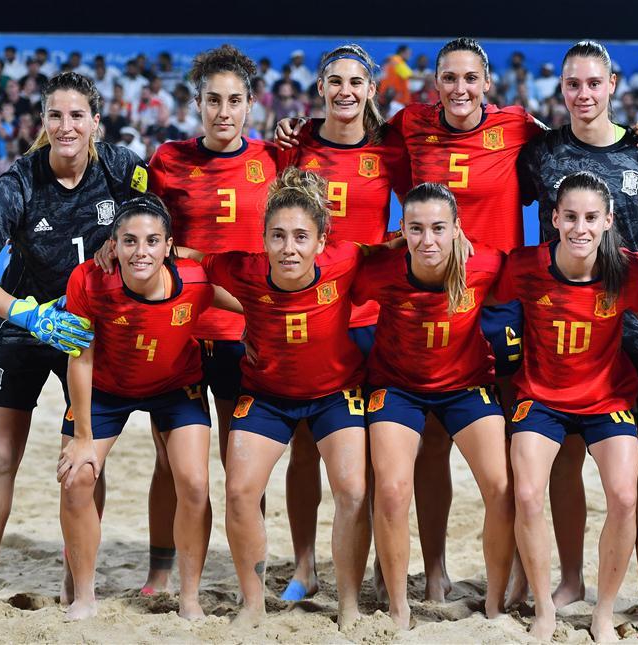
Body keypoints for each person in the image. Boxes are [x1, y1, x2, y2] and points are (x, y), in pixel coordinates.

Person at [277, 36, 638, 603]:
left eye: (470, 79)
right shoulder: (410, 124)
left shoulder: (521, 130)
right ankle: (429, 572)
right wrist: (301, 129)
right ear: (435, 85)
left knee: (517, 445)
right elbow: (351, 128)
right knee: (428, 439)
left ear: (487, 84)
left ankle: (518, 578)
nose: (460, 89)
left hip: (499, 301)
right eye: (449, 79)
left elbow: (589, 132)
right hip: (428, 299)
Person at [0, 71, 148, 610]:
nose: (67, 126)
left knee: (84, 460)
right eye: (56, 116)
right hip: (24, 325)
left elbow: (159, 220)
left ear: (95, 122)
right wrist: (29, 315)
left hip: (84, 328)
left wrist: (120, 250)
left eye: (77, 115)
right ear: (44, 122)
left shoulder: (123, 167)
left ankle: (74, 582)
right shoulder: (18, 181)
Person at [517, 39, 638, 608]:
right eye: (572, 84)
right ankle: (571, 578)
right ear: (562, 90)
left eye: (593, 83)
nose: (583, 94)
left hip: (637, 338)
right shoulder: (540, 152)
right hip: (563, 332)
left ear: (612, 86)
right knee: (565, 463)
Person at [185, 167, 372, 629]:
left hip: (336, 394)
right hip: (266, 396)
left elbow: (396, 247)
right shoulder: (241, 268)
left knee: (352, 490)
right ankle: (253, 603)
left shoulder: (346, 260)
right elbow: (192, 260)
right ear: (263, 238)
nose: (289, 248)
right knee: (240, 491)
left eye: (301, 237)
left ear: (321, 241)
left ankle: (348, 602)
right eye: (278, 236)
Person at [124, 43, 279, 595]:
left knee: (245, 463)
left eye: (234, 100)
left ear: (251, 105)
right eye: (213, 100)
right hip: (182, 336)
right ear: (196, 103)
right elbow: (147, 236)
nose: (223, 112)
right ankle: (160, 572)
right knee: (171, 464)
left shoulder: (273, 159)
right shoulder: (168, 160)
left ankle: (247, 578)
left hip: (246, 336)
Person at [276, 42, 411, 602]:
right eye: (335, 82)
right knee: (305, 443)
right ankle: (305, 567)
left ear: (370, 90)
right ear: (322, 88)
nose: (345, 92)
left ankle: (382, 565)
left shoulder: (390, 151)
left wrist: (398, 244)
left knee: (379, 451)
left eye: (356, 83)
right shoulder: (298, 145)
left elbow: (428, 208)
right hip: (311, 315)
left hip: (372, 317)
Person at [499, 171, 638, 641]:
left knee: (626, 497)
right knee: (527, 494)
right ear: (554, 218)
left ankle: (604, 612)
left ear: (608, 221)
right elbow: (479, 292)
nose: (580, 228)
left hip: (606, 399)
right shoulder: (525, 266)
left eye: (591, 218)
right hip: (540, 398)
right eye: (570, 217)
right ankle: (545, 608)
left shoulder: (625, 271)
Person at [355, 182, 513, 629]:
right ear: (401, 229)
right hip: (397, 386)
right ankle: (398, 604)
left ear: (457, 229)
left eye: (439, 228)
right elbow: (333, 288)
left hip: (465, 385)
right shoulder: (382, 268)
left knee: (502, 488)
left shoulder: (485, 262)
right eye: (417, 229)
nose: (428, 240)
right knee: (390, 489)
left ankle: (497, 601)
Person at [57, 195, 219, 621]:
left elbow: (248, 304)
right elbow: (80, 357)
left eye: (151, 241)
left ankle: (189, 598)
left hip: (176, 385)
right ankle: (84, 596)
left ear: (169, 247)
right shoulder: (89, 280)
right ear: (113, 245)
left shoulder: (196, 280)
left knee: (195, 483)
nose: (140, 251)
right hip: (108, 387)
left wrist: (257, 331)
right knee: (77, 477)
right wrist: (83, 439)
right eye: (129, 241)